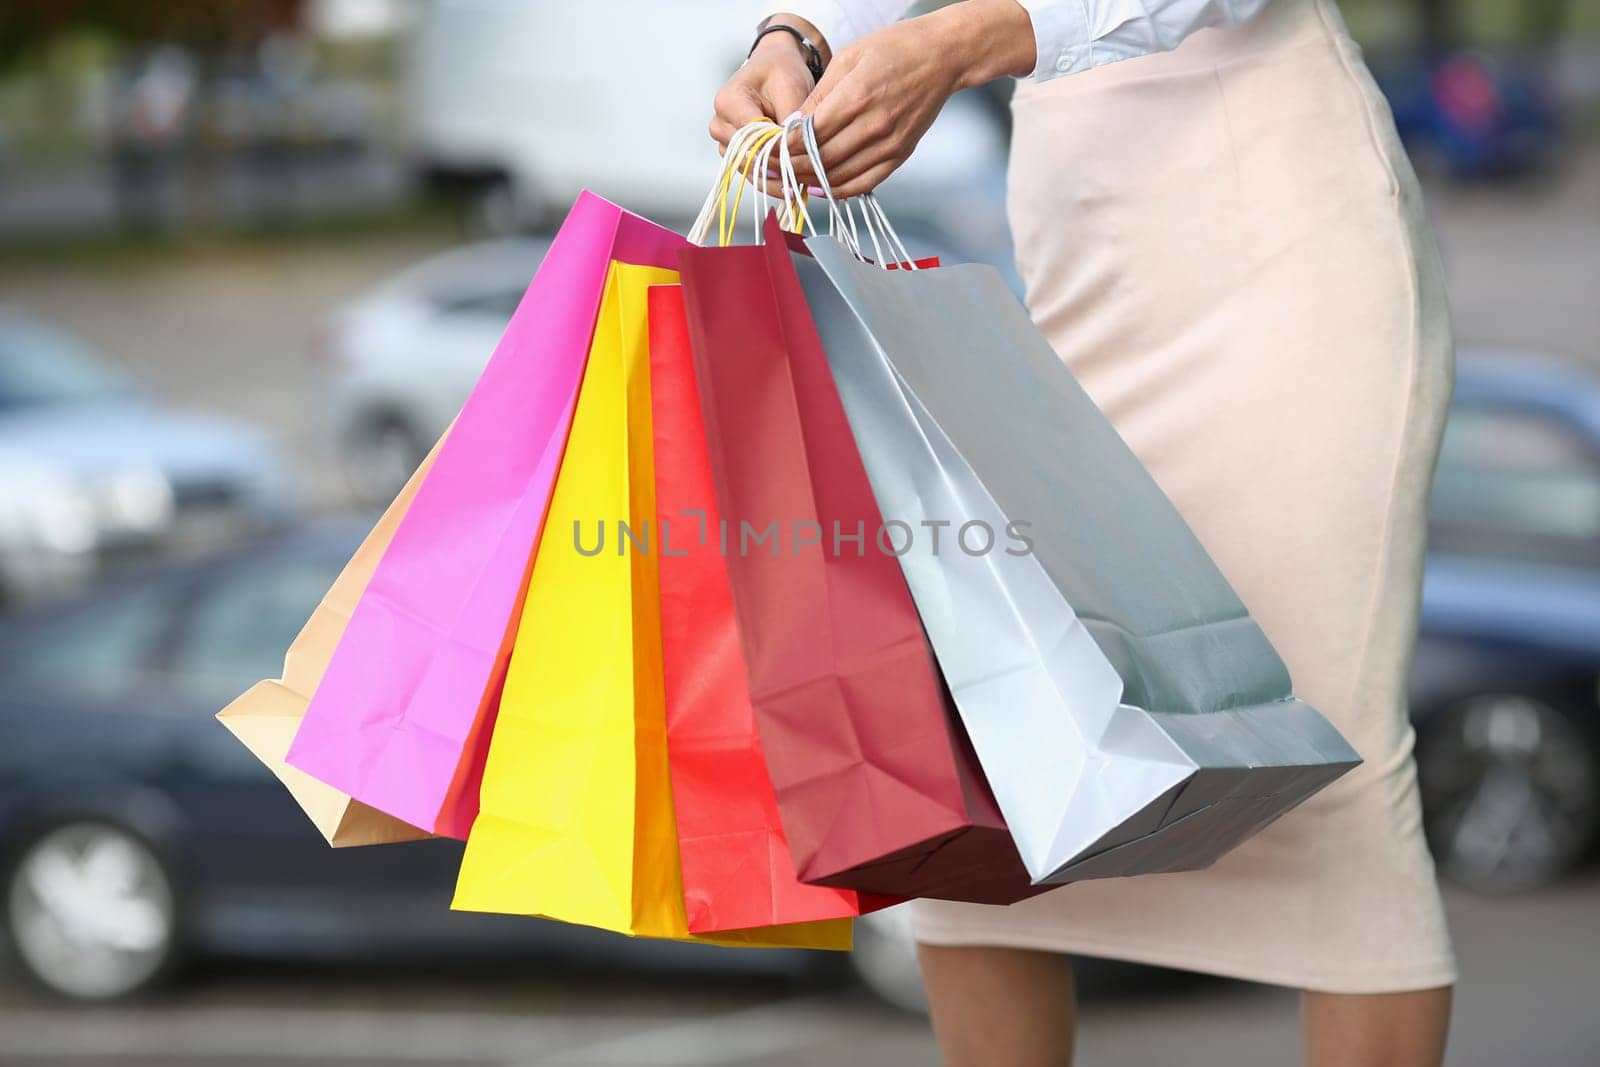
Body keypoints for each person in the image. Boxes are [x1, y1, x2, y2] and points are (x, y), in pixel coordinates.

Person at [710, 2, 1457, 1064]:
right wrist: (796, 40)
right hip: (1071, 245)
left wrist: (963, 42)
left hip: (1280, 235)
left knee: (1329, 765)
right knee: (997, 770)